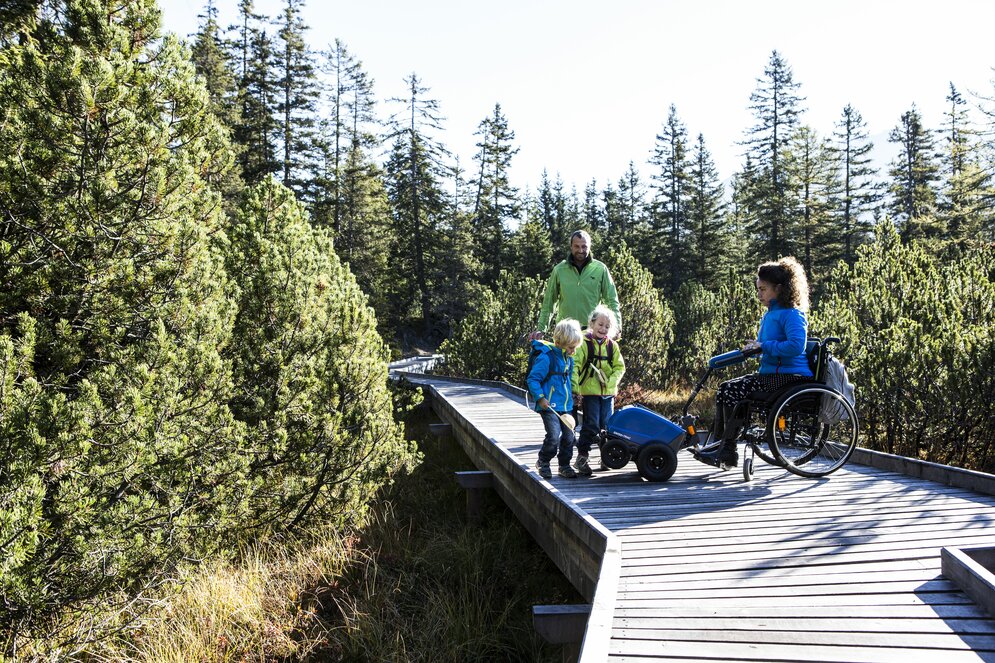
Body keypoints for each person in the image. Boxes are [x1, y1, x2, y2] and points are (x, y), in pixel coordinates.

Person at [698, 256, 814, 469]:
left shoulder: (792, 315)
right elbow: (769, 347)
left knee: (735, 392)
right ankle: (722, 445)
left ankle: (727, 449)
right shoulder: (771, 315)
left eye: (763, 289)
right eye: (758, 289)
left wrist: (764, 346)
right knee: (725, 388)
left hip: (790, 378)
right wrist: (755, 349)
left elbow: (796, 346)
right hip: (773, 375)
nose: (758, 294)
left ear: (778, 289)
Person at [533, 230, 622, 339]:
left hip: (592, 332)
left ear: (590, 246)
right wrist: (542, 329)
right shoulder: (559, 270)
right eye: (577, 246)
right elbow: (549, 303)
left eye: (584, 246)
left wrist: (616, 327)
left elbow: (612, 300)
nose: (581, 250)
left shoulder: (600, 269)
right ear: (571, 247)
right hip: (565, 331)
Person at [571, 305, 625, 476]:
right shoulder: (584, 344)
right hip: (590, 393)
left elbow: (619, 367)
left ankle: (606, 457)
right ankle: (582, 458)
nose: (603, 329)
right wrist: (574, 388)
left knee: (607, 426)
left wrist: (611, 383)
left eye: (607, 326)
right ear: (592, 324)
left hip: (608, 394)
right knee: (591, 425)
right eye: (600, 325)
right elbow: (575, 366)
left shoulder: (612, 346)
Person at [527, 318, 584, 480]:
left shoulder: (568, 359)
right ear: (559, 342)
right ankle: (543, 462)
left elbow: (569, 379)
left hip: (565, 405)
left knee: (569, 436)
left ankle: (564, 465)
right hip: (548, 405)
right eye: (571, 347)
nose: (573, 351)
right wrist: (540, 397)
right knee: (553, 435)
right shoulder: (547, 358)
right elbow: (533, 379)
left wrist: (575, 392)